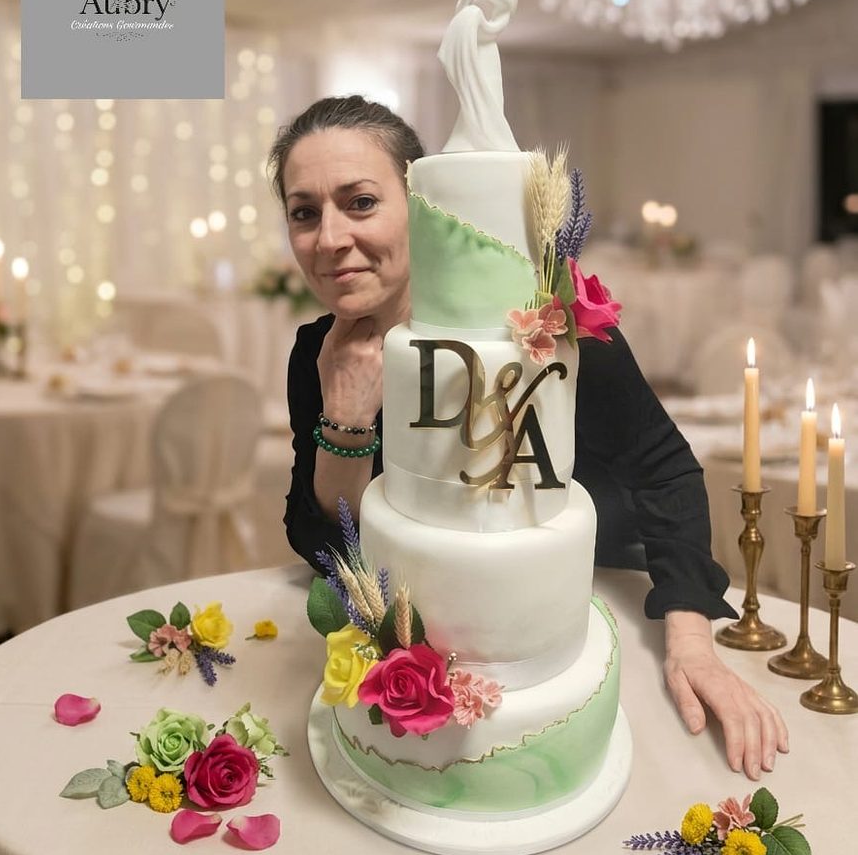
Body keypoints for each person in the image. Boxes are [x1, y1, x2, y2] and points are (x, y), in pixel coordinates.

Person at [272, 94, 789, 782]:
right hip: (423, 664)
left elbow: (664, 470)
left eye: (360, 202)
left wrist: (691, 642)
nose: (329, 238)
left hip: (564, 630)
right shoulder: (318, 350)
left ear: (420, 205)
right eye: (304, 212)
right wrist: (347, 419)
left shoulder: (542, 332)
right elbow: (326, 545)